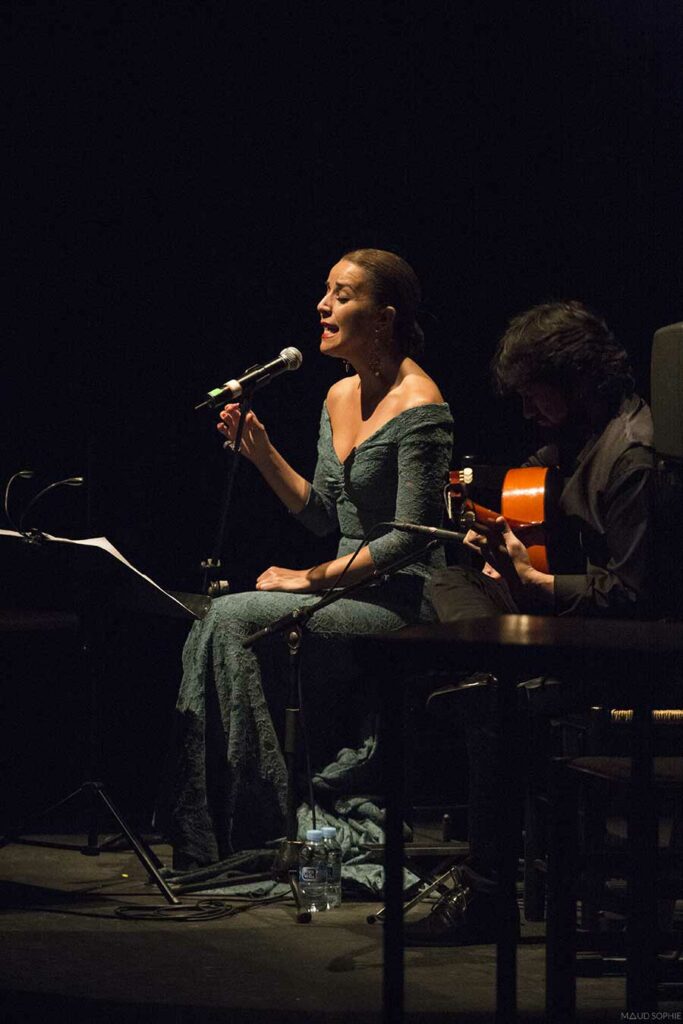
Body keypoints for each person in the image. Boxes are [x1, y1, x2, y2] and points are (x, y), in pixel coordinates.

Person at [163, 249, 453, 867]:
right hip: (342, 589)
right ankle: (219, 825)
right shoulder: (338, 395)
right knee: (217, 615)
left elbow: (411, 539)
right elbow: (323, 514)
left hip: (397, 600)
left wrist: (310, 578)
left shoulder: (421, 406)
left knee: (234, 617)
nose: (323, 306)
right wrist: (262, 453)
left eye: (342, 296)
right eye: (326, 291)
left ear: (384, 318)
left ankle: (259, 823)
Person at [404, 299, 654, 945]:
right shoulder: (580, 443)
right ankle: (483, 669)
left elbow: (632, 597)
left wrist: (535, 581)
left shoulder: (632, 458)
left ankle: (487, 893)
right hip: (572, 631)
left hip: (626, 657)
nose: (525, 409)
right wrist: (503, 555)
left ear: (576, 380)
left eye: (533, 393)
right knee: (447, 579)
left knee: (496, 700)